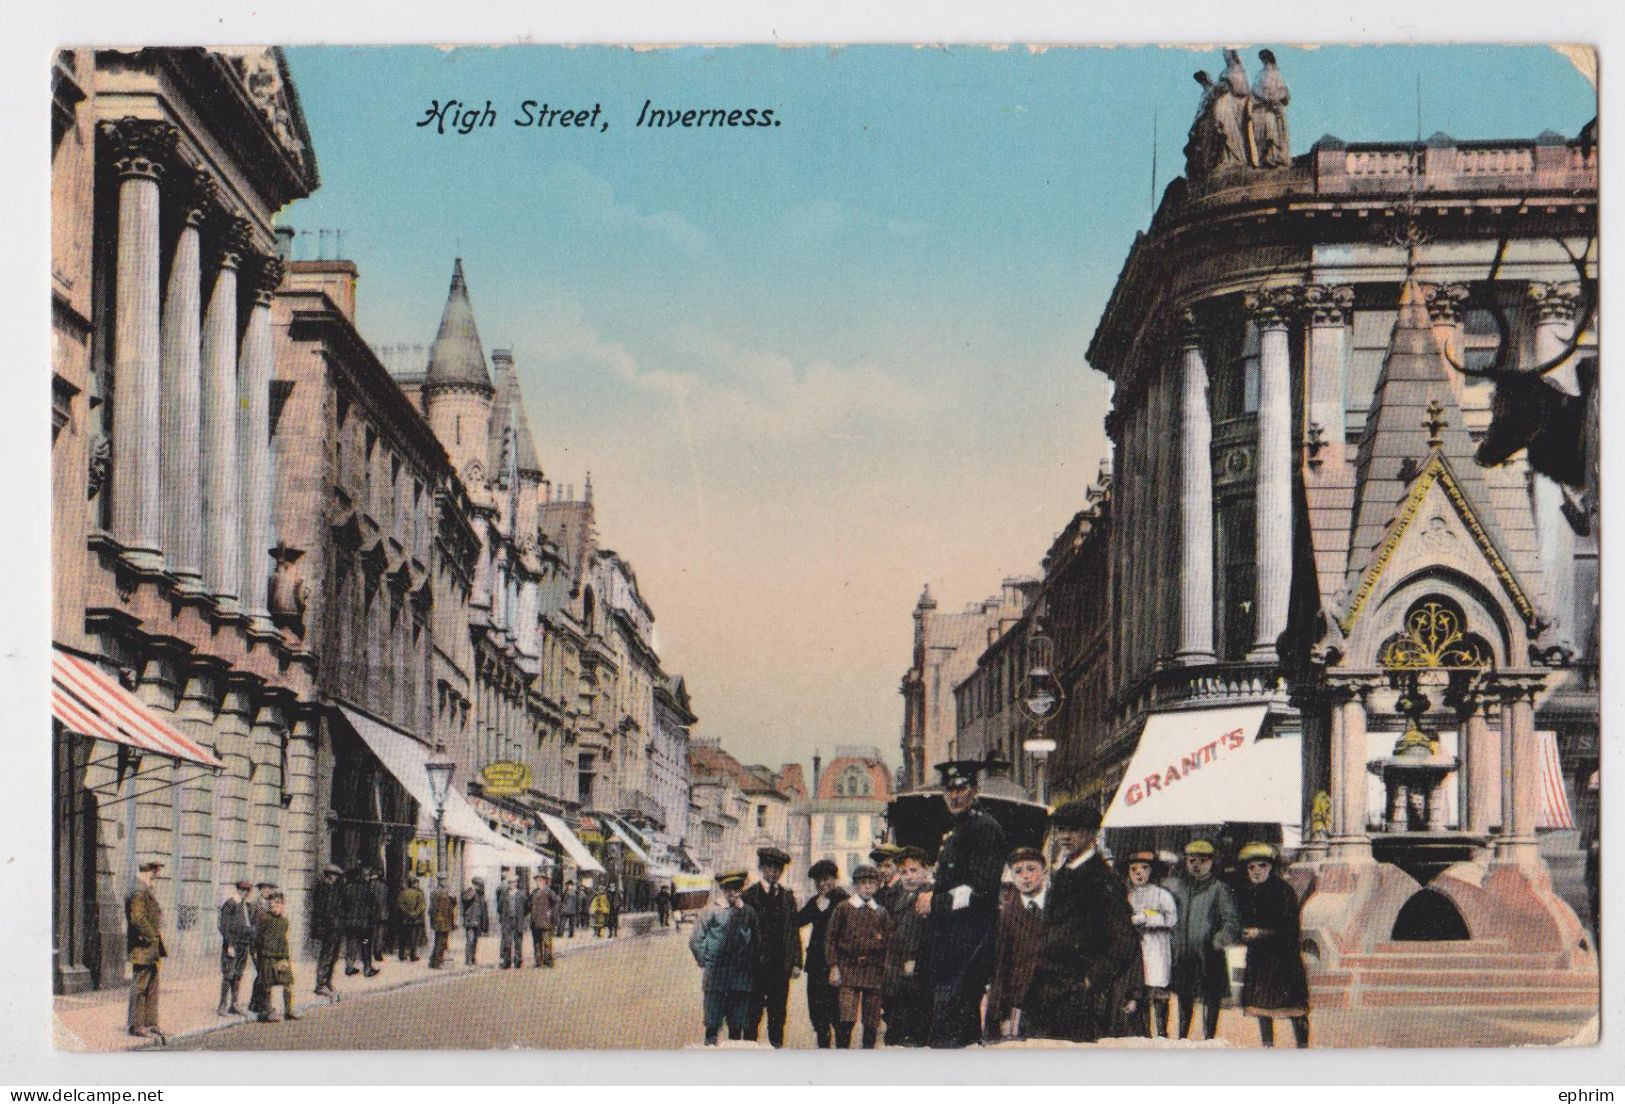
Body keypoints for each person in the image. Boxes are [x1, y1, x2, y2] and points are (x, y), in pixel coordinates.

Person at [1023, 801, 1139, 1043]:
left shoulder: (1104, 878)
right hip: (1049, 988)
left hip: (1079, 997)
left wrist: (1091, 981)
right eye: (1060, 829)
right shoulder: (1062, 872)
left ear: (1091, 834)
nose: (1064, 836)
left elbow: (1123, 941)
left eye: (1073, 830)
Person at [923, 759, 1007, 1048]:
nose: (955, 796)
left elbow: (980, 889)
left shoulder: (985, 828)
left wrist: (936, 903)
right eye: (950, 789)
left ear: (975, 789)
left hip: (970, 945)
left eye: (961, 788)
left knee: (952, 1032)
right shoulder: (957, 830)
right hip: (949, 946)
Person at [1235, 842, 1310, 1048]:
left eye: (1262, 866)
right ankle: (1268, 1047)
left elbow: (1289, 929)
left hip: (1283, 960)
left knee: (1295, 1010)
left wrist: (1261, 933)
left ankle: (1304, 1048)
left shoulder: (1283, 892)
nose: (1257, 871)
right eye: (1252, 867)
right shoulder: (1248, 893)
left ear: (1271, 867)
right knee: (1262, 1010)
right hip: (1260, 960)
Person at [1169, 838, 1241, 1040]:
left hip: (1210, 954)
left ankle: (1209, 1039)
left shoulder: (1219, 889)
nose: (1197, 865)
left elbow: (1232, 922)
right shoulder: (1179, 889)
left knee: (1211, 998)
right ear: (1186, 862)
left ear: (1211, 862)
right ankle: (1182, 1038)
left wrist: (1220, 939)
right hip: (1184, 954)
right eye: (1192, 860)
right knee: (1184, 997)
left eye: (1202, 860)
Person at [825, 865, 893, 1049]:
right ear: (855, 885)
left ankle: (867, 1058)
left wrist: (884, 970)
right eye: (863, 883)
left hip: (873, 972)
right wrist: (834, 966)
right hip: (848, 971)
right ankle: (843, 1055)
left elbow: (888, 944)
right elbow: (831, 938)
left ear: (878, 886)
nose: (868, 887)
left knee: (871, 1022)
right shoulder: (843, 909)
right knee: (846, 1019)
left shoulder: (881, 913)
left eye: (872, 883)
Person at [688, 870, 759, 1045]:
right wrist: (706, 960)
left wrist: (748, 962)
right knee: (712, 1024)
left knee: (736, 1026)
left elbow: (757, 941)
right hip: (716, 978)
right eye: (728, 889)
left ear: (741, 890)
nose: (732, 893)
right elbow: (696, 939)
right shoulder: (711, 911)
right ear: (722, 889)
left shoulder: (748, 912)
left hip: (740, 978)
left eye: (736, 889)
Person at [985, 847, 1048, 1041]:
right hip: (1020, 1001)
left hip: (1054, 999)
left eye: (1031, 869)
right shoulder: (1007, 914)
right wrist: (999, 1013)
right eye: (1018, 871)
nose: (1025, 876)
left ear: (1044, 872)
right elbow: (1000, 967)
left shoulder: (1059, 907)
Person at [742, 846, 802, 1047]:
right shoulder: (749, 896)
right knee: (752, 1013)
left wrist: (796, 962)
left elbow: (793, 932)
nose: (774, 872)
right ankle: (750, 1053)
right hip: (755, 968)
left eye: (778, 869)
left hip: (780, 966)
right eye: (769, 867)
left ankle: (777, 1052)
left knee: (778, 1014)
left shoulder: (787, 897)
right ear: (761, 868)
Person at [880, 847, 932, 1048]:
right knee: (895, 1019)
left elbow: (923, 933)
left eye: (913, 870)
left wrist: (913, 957)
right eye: (903, 872)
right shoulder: (898, 896)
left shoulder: (927, 896)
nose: (908, 877)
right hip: (895, 968)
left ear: (925, 871)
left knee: (913, 1024)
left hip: (916, 968)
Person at [1125, 850, 1178, 1038]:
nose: (1138, 873)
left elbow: (1171, 918)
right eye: (1134, 869)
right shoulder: (1129, 895)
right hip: (1136, 950)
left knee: (1159, 990)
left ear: (1152, 871)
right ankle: (1144, 1035)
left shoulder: (1162, 895)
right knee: (1141, 993)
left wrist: (1147, 917)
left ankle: (1162, 1034)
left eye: (1144, 868)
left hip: (1156, 948)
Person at [796, 858, 849, 1047]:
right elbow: (797, 920)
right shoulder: (814, 902)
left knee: (838, 1014)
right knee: (818, 1015)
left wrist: (839, 965)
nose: (822, 884)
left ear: (835, 879)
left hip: (836, 967)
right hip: (816, 966)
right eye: (818, 880)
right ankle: (823, 1051)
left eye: (826, 879)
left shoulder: (844, 902)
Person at [125, 860, 167, 1041]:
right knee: (140, 986)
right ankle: (136, 1024)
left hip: (150, 948)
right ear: (147, 871)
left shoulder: (144, 889)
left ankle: (150, 1022)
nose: (156, 875)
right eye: (154, 872)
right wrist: (152, 936)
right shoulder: (138, 891)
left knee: (152, 985)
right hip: (143, 946)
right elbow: (137, 919)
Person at [251, 892, 299, 1023]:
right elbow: (256, 938)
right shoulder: (264, 919)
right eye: (272, 904)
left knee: (287, 983)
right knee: (267, 985)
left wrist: (287, 957)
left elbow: (284, 940)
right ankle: (268, 1012)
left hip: (281, 957)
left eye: (278, 904)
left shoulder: (285, 922)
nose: (275, 907)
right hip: (267, 956)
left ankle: (288, 1010)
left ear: (283, 905)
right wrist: (256, 954)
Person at [216, 879, 255, 1016]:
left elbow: (249, 925)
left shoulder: (247, 906)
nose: (244, 893)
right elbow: (224, 926)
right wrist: (229, 945)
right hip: (233, 944)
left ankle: (234, 1004)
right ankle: (222, 1005)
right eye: (242, 890)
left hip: (244, 945)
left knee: (238, 974)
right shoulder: (230, 904)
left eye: (247, 890)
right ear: (238, 889)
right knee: (228, 974)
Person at [1250, 48, 1291, 169]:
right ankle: (1263, 159)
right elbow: (1254, 91)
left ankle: (1274, 157)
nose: (1264, 61)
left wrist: (1275, 98)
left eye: (1265, 59)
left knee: (1272, 133)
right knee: (1261, 135)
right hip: (1261, 108)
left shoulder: (1276, 74)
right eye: (1262, 59)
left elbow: (1284, 92)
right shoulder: (1259, 74)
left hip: (1272, 110)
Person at [245, 880, 278, 1016]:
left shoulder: (272, 905)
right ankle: (266, 1006)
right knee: (265, 975)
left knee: (262, 974)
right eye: (265, 888)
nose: (267, 891)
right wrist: (254, 946)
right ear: (260, 890)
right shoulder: (254, 906)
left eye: (269, 888)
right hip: (258, 945)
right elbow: (252, 927)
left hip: (269, 945)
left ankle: (255, 1004)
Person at [311, 863, 344, 997]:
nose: (335, 878)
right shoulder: (322, 889)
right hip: (327, 928)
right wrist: (320, 927)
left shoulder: (334, 889)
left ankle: (328, 982)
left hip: (335, 927)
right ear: (328, 875)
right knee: (326, 956)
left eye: (336, 876)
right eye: (333, 875)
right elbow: (319, 911)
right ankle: (320, 984)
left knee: (333, 956)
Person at [341, 867, 378, 977]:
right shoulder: (367, 889)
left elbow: (342, 906)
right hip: (364, 924)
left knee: (351, 945)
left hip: (350, 923)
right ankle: (367, 968)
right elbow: (374, 906)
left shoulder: (346, 888)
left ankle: (349, 967)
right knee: (365, 945)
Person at [496, 874, 527, 968]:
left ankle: (517, 962)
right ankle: (506, 962)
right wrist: (503, 917)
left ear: (516, 883)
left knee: (518, 942)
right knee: (507, 942)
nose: (512, 884)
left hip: (518, 920)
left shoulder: (521, 894)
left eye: (513, 882)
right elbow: (499, 907)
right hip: (507, 921)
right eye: (510, 882)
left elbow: (526, 907)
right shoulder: (504, 894)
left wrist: (522, 916)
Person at [529, 874, 558, 967]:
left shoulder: (549, 891)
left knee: (547, 942)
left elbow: (557, 903)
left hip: (546, 921)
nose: (538, 882)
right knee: (537, 942)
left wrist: (552, 913)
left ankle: (548, 961)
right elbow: (528, 904)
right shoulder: (533, 892)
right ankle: (538, 962)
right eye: (537, 881)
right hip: (535, 921)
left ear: (545, 881)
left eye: (540, 880)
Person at [428, 875, 457, 968]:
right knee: (441, 942)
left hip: (444, 920)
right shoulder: (438, 892)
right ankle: (436, 962)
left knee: (439, 941)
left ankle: (433, 962)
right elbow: (433, 909)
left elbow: (452, 904)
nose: (446, 882)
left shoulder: (443, 892)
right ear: (440, 881)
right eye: (444, 880)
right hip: (442, 921)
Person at [396, 875, 426, 962]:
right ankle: (412, 955)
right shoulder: (419, 893)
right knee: (413, 938)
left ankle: (401, 955)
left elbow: (400, 905)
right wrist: (414, 913)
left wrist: (407, 913)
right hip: (416, 920)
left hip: (404, 919)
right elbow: (422, 906)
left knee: (403, 937)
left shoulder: (403, 893)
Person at [461, 877, 489, 965]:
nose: (481, 887)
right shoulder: (470, 891)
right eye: (480, 885)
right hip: (470, 921)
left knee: (475, 941)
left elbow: (484, 909)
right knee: (470, 940)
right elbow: (465, 899)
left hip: (478, 921)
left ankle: (472, 958)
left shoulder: (482, 895)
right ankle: (468, 960)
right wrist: (472, 890)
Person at [869, 844, 904, 916]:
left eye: (887, 866)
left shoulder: (904, 890)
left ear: (899, 866)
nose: (882, 870)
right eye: (879, 865)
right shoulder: (878, 891)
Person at [368, 867, 390, 966]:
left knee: (370, 934)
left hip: (372, 913)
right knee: (380, 934)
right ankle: (378, 953)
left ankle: (369, 952)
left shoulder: (369, 885)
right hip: (383, 913)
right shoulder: (384, 886)